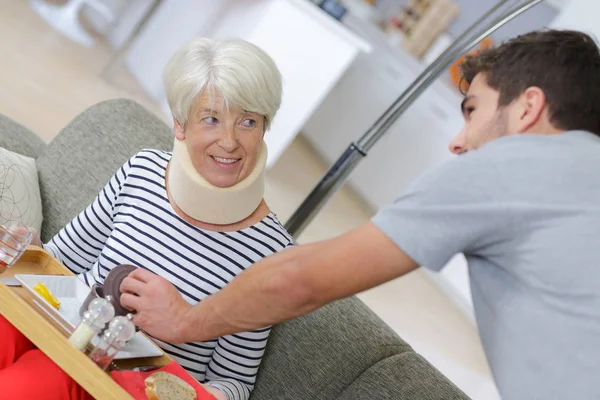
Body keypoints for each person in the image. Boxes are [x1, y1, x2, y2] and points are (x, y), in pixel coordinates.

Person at [121, 29, 600, 399]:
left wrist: (185, 322)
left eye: (472, 110)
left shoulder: (507, 168)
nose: (458, 141)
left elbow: (300, 280)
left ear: (528, 108)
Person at [0, 37, 293, 400]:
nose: (230, 141)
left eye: (247, 121)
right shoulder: (142, 170)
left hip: (129, 383)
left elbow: (234, 381)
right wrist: (30, 252)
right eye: (212, 119)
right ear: (181, 125)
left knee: (38, 380)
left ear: (264, 129)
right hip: (66, 326)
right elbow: (61, 263)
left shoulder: (271, 249)